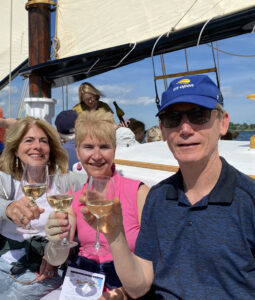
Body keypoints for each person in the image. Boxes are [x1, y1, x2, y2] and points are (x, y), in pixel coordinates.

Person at [81, 74, 255, 299]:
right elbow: (139, 286)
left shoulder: (249, 199)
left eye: (198, 115)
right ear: (163, 130)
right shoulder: (158, 197)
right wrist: (115, 233)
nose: (185, 129)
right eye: (173, 119)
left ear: (222, 123)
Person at [45, 110, 149, 298]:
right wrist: (54, 241)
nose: (96, 155)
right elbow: (57, 257)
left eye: (104, 146)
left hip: (126, 284)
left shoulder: (139, 193)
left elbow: (153, 261)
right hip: (82, 281)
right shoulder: (74, 197)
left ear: (115, 149)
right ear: (77, 151)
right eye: (88, 147)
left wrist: (124, 293)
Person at [0, 116, 69, 299]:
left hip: (45, 268)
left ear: (51, 148)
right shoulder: (5, 179)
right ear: (15, 149)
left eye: (43, 141)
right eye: (29, 140)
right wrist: (8, 208)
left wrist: (55, 251)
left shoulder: (64, 182)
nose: (37, 146)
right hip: (4, 262)